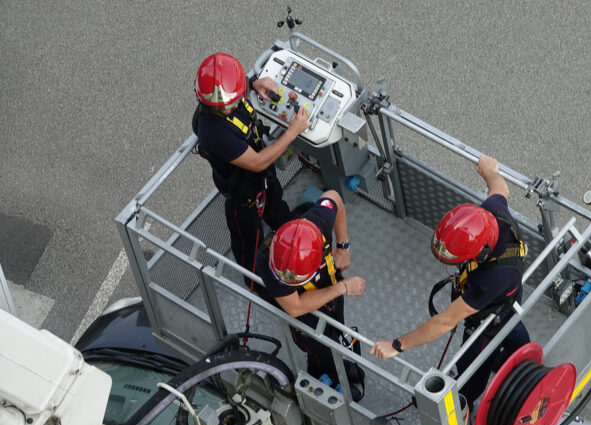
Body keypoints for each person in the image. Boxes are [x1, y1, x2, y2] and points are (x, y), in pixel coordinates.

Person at [371, 156, 530, 405]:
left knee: (470, 369)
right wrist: (490, 172)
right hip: (510, 297)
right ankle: (522, 361)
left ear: (482, 254)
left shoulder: (491, 278)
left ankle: (465, 400)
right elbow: (501, 188)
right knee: (512, 325)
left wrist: (397, 345)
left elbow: (445, 322)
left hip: (488, 317)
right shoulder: (493, 214)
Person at [193, 52, 311, 273]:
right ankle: (253, 278)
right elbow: (256, 162)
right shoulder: (212, 131)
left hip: (264, 180)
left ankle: (288, 238)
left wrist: (254, 84)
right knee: (249, 243)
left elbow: (235, 91)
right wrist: (292, 132)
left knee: (279, 212)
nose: (226, 109)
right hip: (244, 197)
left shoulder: (230, 93)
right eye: (220, 107)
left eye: (232, 102)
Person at [255, 190, 367, 399]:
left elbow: (334, 197)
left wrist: (343, 247)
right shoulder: (267, 260)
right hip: (305, 317)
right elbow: (295, 307)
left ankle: (336, 366)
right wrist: (343, 288)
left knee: (336, 330)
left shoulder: (317, 225)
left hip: (331, 292)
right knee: (318, 348)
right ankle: (325, 376)